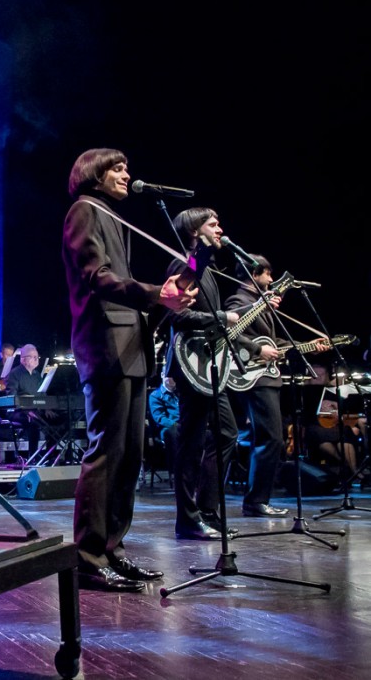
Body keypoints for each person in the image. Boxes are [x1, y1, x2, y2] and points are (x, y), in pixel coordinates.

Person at [61, 148, 197, 592]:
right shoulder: (84, 211)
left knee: (129, 458)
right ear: (93, 173)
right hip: (106, 347)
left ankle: (112, 549)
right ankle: (87, 558)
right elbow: (96, 278)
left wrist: (174, 288)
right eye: (117, 168)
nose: (126, 174)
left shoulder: (113, 217)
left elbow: (127, 286)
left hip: (131, 348)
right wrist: (157, 293)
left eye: (126, 168)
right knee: (106, 454)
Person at [163, 208, 254, 539]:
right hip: (191, 367)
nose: (220, 229)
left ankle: (206, 509)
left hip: (209, 366)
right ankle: (187, 520)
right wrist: (220, 318)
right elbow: (176, 316)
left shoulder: (207, 268)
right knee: (192, 442)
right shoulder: (185, 265)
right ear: (193, 231)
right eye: (212, 224)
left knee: (227, 433)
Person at [225, 255, 325, 517]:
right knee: (270, 437)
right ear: (254, 274)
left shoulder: (261, 303)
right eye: (267, 274)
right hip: (254, 376)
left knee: (271, 437)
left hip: (266, 377)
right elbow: (232, 334)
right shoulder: (239, 301)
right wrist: (258, 349)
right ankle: (256, 501)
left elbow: (272, 342)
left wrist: (308, 347)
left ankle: (258, 499)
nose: (271, 279)